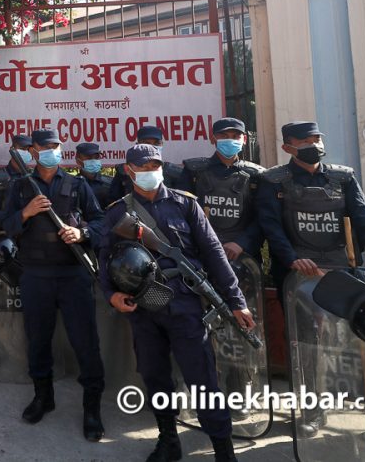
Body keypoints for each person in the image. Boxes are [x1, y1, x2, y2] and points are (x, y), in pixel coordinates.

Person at [256, 120, 365, 437]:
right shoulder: (274, 181)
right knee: (307, 343)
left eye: (316, 138)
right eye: (305, 140)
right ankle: (313, 410)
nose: (314, 144)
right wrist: (291, 259)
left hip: (345, 272)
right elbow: (271, 227)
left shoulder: (343, 177)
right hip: (299, 277)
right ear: (288, 146)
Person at [99, 143, 254, 462]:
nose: (149, 172)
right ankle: (168, 439)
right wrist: (111, 294)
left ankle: (223, 450)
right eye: (142, 168)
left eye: (154, 166)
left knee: (202, 379)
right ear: (129, 171)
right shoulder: (119, 211)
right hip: (143, 305)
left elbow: (214, 253)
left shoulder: (185, 204)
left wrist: (236, 301)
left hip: (185, 304)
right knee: (154, 375)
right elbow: (105, 258)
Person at [2, 128, 107, 442]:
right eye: (44, 146)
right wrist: (26, 212)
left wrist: (82, 234)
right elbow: (6, 226)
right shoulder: (20, 187)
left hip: (73, 274)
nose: (51, 150)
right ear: (33, 151)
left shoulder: (77, 185)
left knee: (86, 343)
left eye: (56, 146)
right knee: (37, 340)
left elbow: (101, 222)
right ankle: (43, 397)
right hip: (35, 275)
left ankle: (92, 408)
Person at [179, 118, 264, 260]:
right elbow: (181, 212)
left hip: (243, 254)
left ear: (244, 139)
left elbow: (263, 218)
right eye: (224, 136)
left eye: (236, 136)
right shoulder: (193, 171)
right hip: (201, 251)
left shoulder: (255, 175)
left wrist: (241, 243)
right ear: (213, 139)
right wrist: (204, 241)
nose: (230, 140)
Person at [107, 126, 184, 204]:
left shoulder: (175, 173)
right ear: (137, 145)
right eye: (146, 143)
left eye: (157, 143)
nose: (152, 146)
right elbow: (113, 202)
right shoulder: (124, 172)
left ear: (162, 144)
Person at [0, 134, 33, 233]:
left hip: (30, 235)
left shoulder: (34, 177)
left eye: (28, 150)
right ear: (12, 149)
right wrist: (16, 220)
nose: (26, 152)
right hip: (4, 234)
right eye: (22, 149)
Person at [75, 142, 112, 209]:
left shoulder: (110, 183)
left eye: (96, 157)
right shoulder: (73, 184)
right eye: (89, 158)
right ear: (78, 160)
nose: (93, 160)